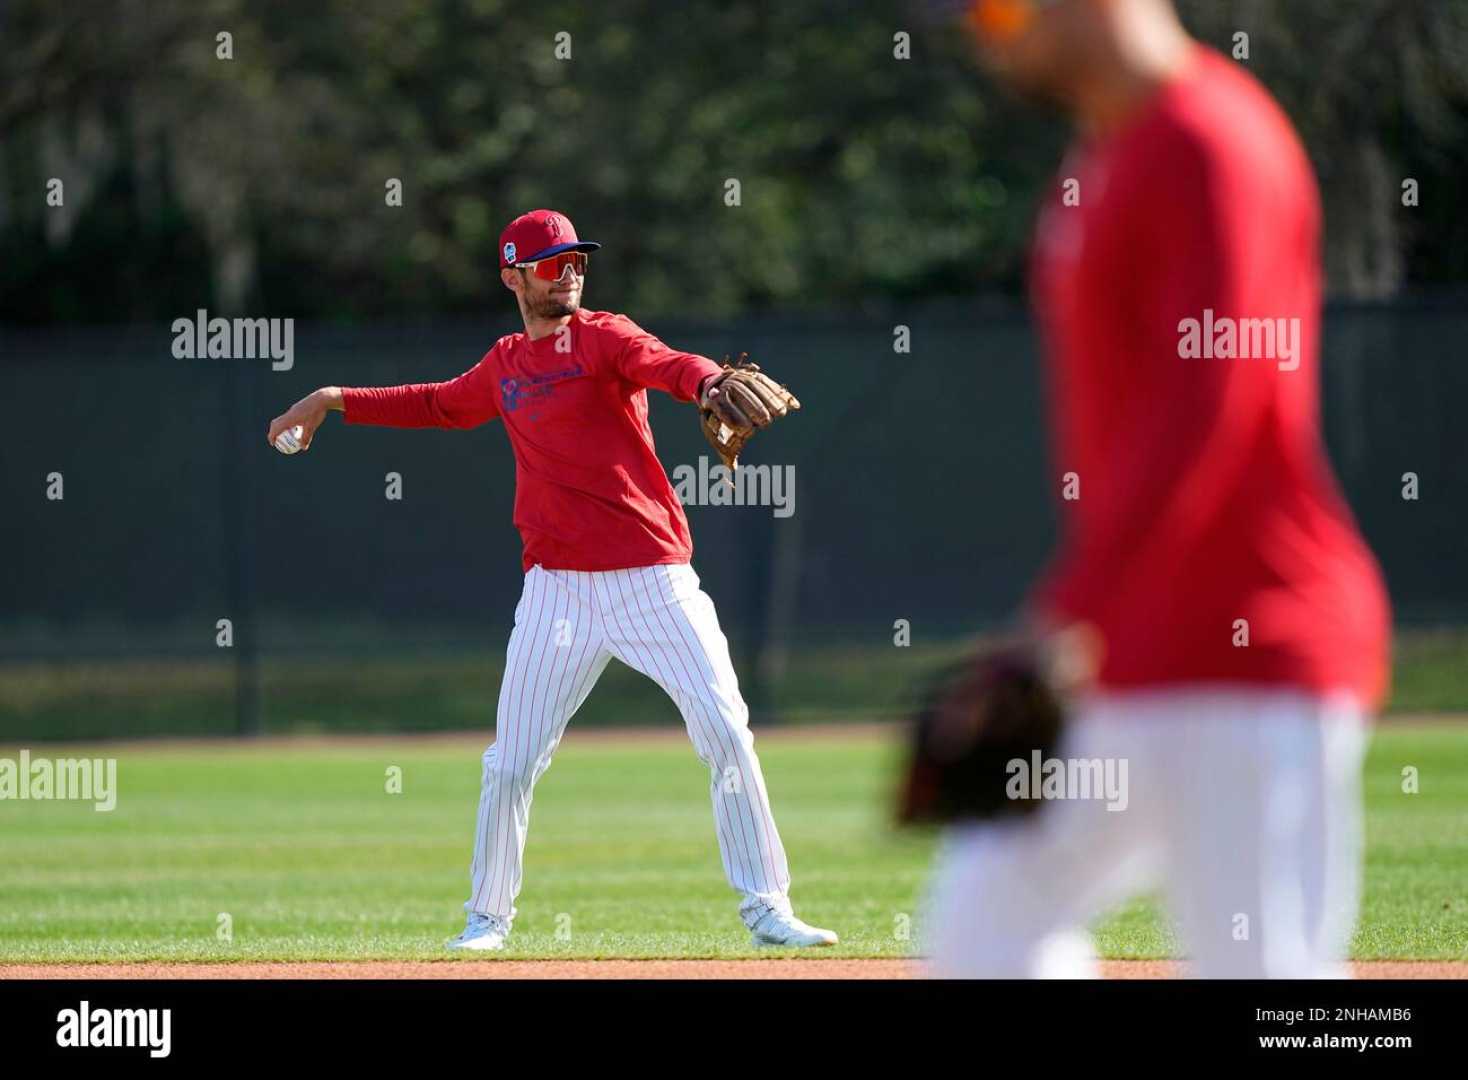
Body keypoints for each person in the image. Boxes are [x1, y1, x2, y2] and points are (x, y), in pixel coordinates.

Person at [922, 0, 1391, 977]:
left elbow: (1205, 407)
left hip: (1252, 644)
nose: (984, 32)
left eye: (1000, 9)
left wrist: (1063, 611)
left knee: (1263, 970)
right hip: (1132, 649)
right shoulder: (1105, 155)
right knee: (984, 925)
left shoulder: (1208, 143)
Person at [266, 209, 837, 952]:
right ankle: (487, 920)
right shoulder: (505, 365)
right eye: (550, 263)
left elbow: (668, 364)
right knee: (510, 763)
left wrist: (708, 383)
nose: (568, 272)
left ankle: (767, 907)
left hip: (653, 580)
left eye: (576, 261)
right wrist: (333, 400)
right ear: (512, 275)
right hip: (557, 591)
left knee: (727, 732)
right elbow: (439, 404)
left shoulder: (604, 336)